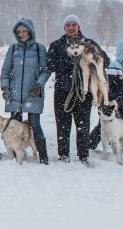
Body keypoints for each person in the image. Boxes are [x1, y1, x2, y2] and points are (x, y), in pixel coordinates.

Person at [46, 14, 108, 165]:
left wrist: (92, 57)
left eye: (74, 25)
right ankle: (63, 154)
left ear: (78, 27)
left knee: (83, 124)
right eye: (68, 25)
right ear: (64, 28)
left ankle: (83, 155)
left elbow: (105, 60)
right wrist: (72, 59)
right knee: (63, 125)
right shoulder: (57, 45)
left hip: (83, 91)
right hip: (63, 91)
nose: (71, 27)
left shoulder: (89, 43)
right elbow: (50, 65)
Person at [0, 18, 51, 164]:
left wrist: (38, 84)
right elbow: (5, 70)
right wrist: (5, 86)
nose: (21, 34)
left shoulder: (39, 48)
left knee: (34, 124)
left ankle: (43, 155)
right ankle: (17, 153)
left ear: (30, 31)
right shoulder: (13, 49)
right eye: (19, 32)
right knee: (15, 126)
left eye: (24, 31)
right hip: (14, 94)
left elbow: (45, 70)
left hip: (33, 94)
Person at [89, 38, 123, 154]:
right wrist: (112, 100)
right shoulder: (114, 66)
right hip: (115, 103)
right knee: (105, 125)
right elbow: (108, 86)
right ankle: (89, 144)